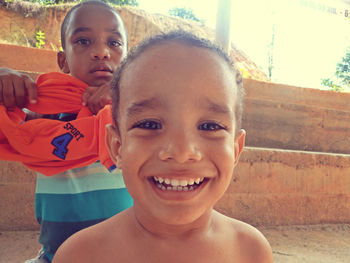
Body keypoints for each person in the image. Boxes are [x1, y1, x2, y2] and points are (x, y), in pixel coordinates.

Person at [53, 31, 273, 263]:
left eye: (210, 126)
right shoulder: (79, 255)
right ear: (117, 147)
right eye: (149, 124)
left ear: (236, 149)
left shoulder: (251, 251)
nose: (181, 152)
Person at [0, 1, 133, 262]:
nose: (101, 52)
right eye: (83, 41)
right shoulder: (44, 111)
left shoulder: (136, 115)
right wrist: (3, 80)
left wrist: (121, 99)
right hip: (56, 255)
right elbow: (10, 130)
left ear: (128, 61)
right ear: (63, 60)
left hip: (127, 255)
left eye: (115, 43)